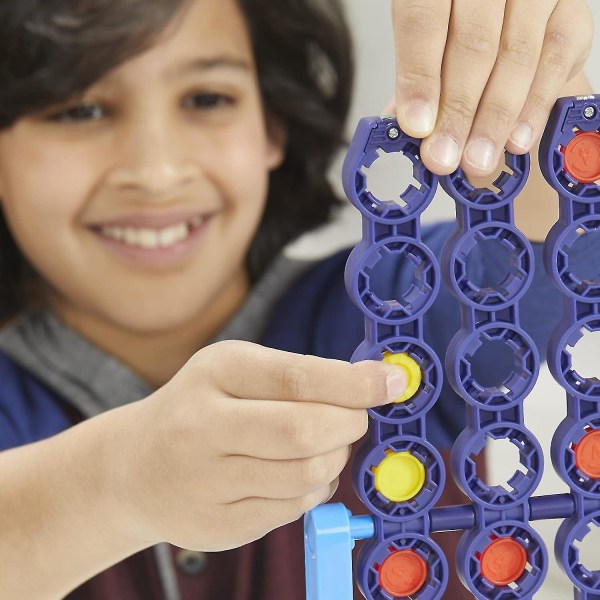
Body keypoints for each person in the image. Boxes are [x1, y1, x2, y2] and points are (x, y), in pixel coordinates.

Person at [0, 0, 594, 598]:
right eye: (81, 109)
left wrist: (534, 101)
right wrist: (118, 483)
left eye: (207, 99)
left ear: (272, 127)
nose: (156, 171)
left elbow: (552, 254)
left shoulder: (393, 308)